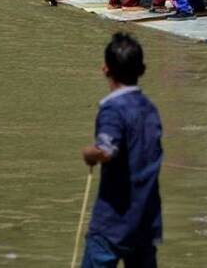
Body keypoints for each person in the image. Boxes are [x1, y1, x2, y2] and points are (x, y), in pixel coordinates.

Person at [81, 33, 162, 268]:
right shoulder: (150, 109)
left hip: (113, 221)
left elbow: (106, 150)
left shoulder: (113, 109)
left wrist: (90, 154)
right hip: (146, 219)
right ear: (142, 69)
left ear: (106, 69)